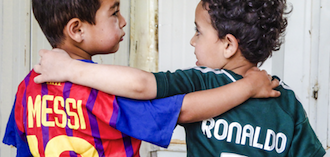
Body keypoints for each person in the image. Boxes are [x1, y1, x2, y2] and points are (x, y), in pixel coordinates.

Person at [33, 0, 326, 156]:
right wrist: (248, 87)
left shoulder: (200, 79)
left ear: (228, 45)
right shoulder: (285, 99)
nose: (191, 40)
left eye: (198, 31)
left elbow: (142, 85)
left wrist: (71, 69)